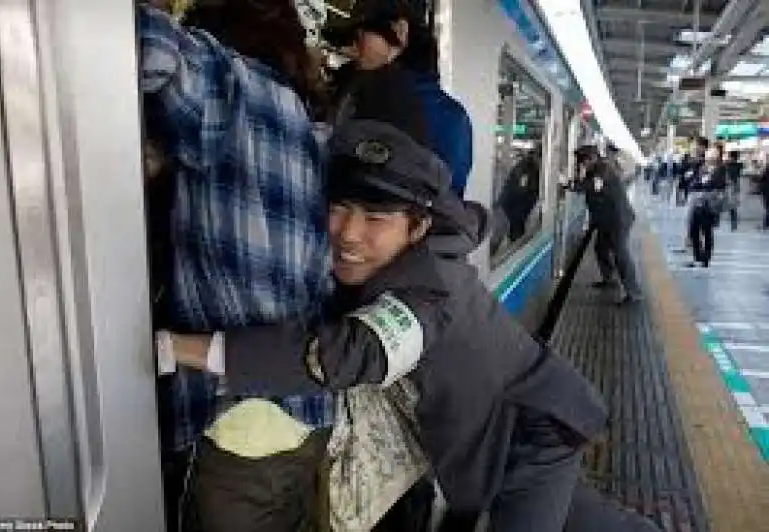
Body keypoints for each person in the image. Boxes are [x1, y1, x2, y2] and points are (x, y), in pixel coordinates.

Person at [170, 120, 660, 532]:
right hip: (521, 424)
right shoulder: (428, 245)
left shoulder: (426, 295)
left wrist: (177, 349)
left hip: (531, 435)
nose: (348, 234)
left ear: (418, 227)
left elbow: (346, 354)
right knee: (587, 519)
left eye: (376, 218)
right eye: (338, 208)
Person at [138, 2, 334, 530]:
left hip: (236, 424)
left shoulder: (226, 87)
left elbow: (137, 41)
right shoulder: (312, 129)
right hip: (308, 416)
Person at [324, 0, 473, 196]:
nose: (352, 50)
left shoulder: (375, 101)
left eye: (359, 38)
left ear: (400, 31)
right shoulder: (454, 115)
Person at [575, 145, 642, 304]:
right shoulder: (595, 169)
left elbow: (592, 186)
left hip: (618, 220)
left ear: (592, 158)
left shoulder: (603, 169)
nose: (582, 165)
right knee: (600, 248)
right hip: (607, 220)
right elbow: (586, 183)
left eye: (583, 162)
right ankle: (609, 279)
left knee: (621, 254)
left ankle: (633, 292)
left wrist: (570, 186)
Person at [685, 146, 727, 268]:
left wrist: (705, 183)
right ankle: (697, 256)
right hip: (697, 202)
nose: (709, 158)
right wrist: (699, 182)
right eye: (708, 156)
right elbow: (694, 183)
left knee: (707, 231)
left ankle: (706, 258)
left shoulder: (721, 169)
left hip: (709, 204)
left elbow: (718, 184)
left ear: (717, 157)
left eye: (712, 156)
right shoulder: (702, 168)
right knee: (694, 230)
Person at [725, 150, 743, 231]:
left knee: (732, 205)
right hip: (734, 186)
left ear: (732, 157)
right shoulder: (739, 165)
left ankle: (734, 223)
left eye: (729, 156)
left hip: (731, 186)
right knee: (732, 205)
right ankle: (733, 223)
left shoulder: (728, 165)